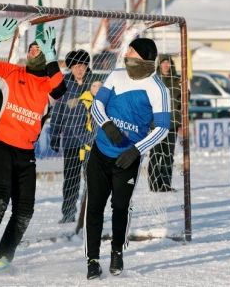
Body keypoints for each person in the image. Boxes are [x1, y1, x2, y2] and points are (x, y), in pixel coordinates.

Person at [0, 18, 66, 271]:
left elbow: (60, 88)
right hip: (1, 145)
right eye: (32, 48)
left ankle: (3, 257)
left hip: (26, 152)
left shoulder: (48, 86)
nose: (33, 51)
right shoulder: (13, 72)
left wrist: (51, 56)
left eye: (40, 49)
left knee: (25, 211)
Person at [85, 38, 170, 280]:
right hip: (101, 153)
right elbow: (97, 104)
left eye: (131, 50)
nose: (126, 53)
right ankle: (92, 259)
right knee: (95, 207)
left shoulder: (157, 88)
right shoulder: (116, 75)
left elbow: (162, 128)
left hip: (127, 159)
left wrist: (136, 150)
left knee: (120, 207)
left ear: (142, 56)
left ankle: (116, 252)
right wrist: (106, 124)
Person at [49, 49, 100, 224]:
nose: (79, 70)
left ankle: (90, 213)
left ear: (87, 67)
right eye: (76, 66)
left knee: (92, 179)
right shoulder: (63, 86)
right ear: (71, 67)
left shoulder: (96, 84)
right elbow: (57, 114)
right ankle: (68, 213)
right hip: (71, 140)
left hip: (91, 141)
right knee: (70, 180)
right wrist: (54, 135)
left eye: (82, 66)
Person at [147, 54, 182, 192]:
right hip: (157, 124)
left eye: (168, 63)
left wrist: (187, 90)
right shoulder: (153, 80)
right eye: (164, 63)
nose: (166, 65)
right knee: (156, 155)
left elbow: (182, 100)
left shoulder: (177, 80)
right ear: (159, 65)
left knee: (168, 156)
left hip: (172, 123)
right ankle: (155, 184)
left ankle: (166, 184)